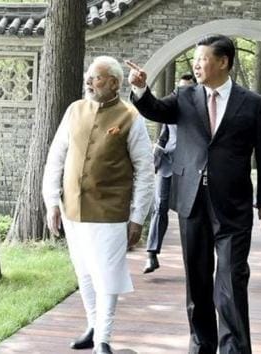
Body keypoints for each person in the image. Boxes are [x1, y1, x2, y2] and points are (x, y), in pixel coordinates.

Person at [126, 34, 261, 354]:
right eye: (194, 59)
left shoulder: (252, 103)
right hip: (191, 200)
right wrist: (140, 88)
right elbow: (154, 109)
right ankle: (201, 344)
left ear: (223, 62)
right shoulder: (185, 96)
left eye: (202, 58)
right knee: (197, 281)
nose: (195, 64)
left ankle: (235, 348)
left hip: (233, 205)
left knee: (232, 279)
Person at [42, 56, 153, 354]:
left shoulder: (130, 117)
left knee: (107, 275)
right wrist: (52, 201)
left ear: (114, 83)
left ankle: (103, 339)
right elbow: (56, 156)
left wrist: (137, 217)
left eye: (97, 78)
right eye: (89, 77)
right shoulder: (74, 110)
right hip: (73, 209)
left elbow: (145, 170)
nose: (90, 82)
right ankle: (93, 327)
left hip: (111, 212)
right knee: (85, 272)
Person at [143, 73, 196, 274]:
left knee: (188, 211)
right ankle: (151, 254)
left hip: (189, 167)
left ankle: (191, 258)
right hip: (166, 164)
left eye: (188, 88)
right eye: (180, 88)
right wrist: (156, 151)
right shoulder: (170, 110)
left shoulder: (202, 112)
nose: (183, 92)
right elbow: (164, 137)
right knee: (160, 207)